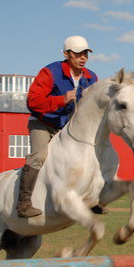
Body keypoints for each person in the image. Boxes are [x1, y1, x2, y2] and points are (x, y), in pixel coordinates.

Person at [17, 35, 99, 218]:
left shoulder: (91, 77)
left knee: (88, 154)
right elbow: (33, 101)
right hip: (43, 123)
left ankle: (89, 198)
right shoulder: (50, 72)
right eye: (78, 54)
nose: (83, 58)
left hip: (66, 127)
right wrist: (62, 99)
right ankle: (23, 203)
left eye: (85, 53)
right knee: (39, 156)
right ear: (66, 54)